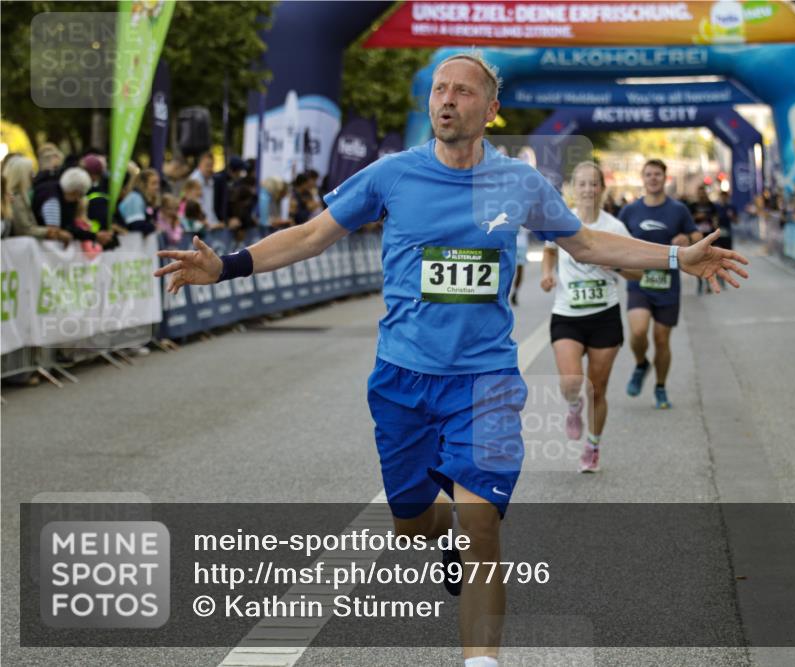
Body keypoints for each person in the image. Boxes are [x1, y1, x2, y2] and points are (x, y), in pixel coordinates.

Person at [154, 51, 749, 667]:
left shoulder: (519, 184)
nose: (446, 99)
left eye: (463, 92)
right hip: (402, 379)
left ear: (489, 111)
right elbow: (310, 235)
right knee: (413, 525)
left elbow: (589, 241)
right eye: (440, 89)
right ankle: (441, 530)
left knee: (482, 528)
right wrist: (226, 266)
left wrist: (677, 259)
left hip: (485, 380)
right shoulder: (392, 176)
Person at [540, 162, 643, 472]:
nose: (587, 189)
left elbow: (637, 273)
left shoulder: (614, 228)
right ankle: (574, 407)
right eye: (581, 184)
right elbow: (549, 250)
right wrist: (547, 274)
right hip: (567, 314)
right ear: (574, 188)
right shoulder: (562, 219)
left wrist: (614, 266)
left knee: (598, 387)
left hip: (604, 315)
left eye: (593, 184)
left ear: (602, 188)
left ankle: (593, 446)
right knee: (571, 382)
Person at [618, 159, 703, 409]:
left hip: (667, 283)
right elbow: (615, 240)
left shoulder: (678, 210)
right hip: (639, 281)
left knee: (662, 339)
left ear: (664, 178)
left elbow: (697, 236)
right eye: (648, 174)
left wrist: (687, 237)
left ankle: (660, 387)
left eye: (657, 174)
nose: (653, 178)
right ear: (642, 179)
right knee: (637, 331)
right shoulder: (630, 211)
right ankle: (641, 363)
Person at [1, 155, 73, 243]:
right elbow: (24, 229)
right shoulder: (16, 199)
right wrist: (52, 232)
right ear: (22, 175)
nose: (33, 176)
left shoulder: (20, 197)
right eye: (30, 173)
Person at [190, 152, 219, 226]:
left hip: (209, 225)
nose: (209, 169)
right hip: (199, 225)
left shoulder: (211, 181)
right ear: (200, 165)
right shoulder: (194, 180)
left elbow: (210, 208)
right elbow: (195, 207)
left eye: (211, 166)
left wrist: (215, 223)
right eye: (207, 165)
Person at [510, 226, 529, 306]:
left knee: (506, 270)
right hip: (521, 245)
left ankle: (511, 292)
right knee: (519, 271)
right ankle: (515, 292)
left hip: (511, 244)